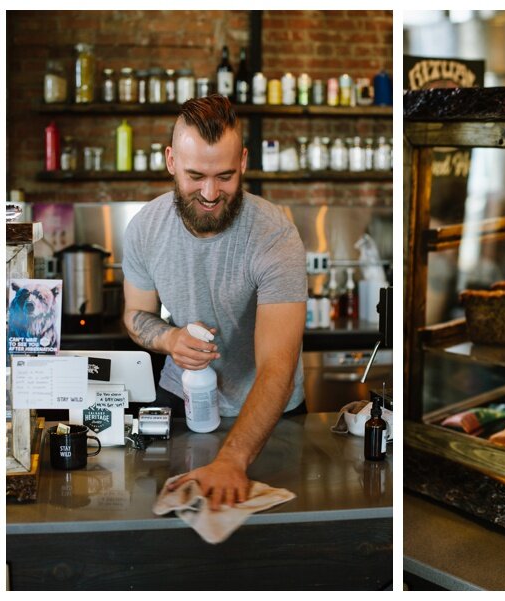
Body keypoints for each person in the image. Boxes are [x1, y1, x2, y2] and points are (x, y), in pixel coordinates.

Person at [122, 95, 307, 508]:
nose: (209, 192)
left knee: (274, 534)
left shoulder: (275, 237)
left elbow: (278, 365)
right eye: (195, 176)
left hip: (267, 407)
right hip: (180, 398)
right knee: (167, 519)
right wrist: (169, 340)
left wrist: (232, 460)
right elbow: (136, 314)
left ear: (243, 161)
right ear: (171, 161)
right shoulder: (144, 229)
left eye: (224, 176)